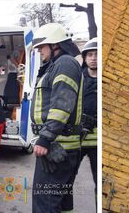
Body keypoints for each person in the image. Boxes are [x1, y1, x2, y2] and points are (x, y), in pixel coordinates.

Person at [30, 23, 83, 213]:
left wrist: (45, 138)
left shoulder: (65, 63)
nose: (39, 52)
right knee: (60, 203)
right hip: (57, 146)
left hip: (56, 148)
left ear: (55, 45)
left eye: (41, 47)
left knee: (45, 203)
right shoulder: (57, 65)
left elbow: (62, 104)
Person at [75, 37, 98, 199]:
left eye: (97, 55)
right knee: (67, 178)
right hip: (79, 138)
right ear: (85, 58)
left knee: (99, 183)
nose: (94, 58)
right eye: (90, 55)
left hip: (97, 143)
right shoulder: (78, 78)